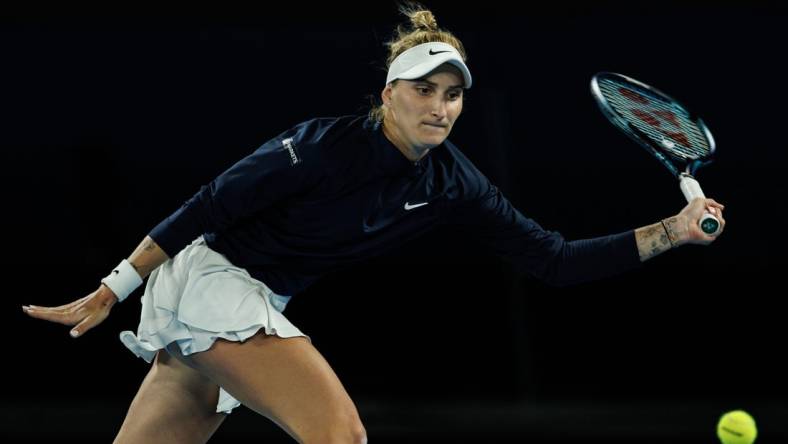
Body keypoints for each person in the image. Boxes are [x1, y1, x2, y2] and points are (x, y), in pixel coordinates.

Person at [23, 5, 725, 444]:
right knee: (340, 434)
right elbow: (209, 203)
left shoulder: (456, 181)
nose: (441, 108)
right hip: (214, 284)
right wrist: (114, 287)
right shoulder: (322, 145)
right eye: (424, 90)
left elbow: (553, 259)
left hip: (256, 301)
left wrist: (674, 230)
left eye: (453, 96)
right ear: (389, 93)